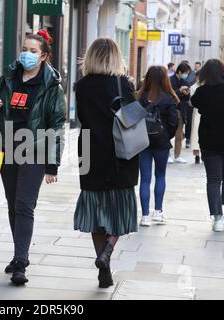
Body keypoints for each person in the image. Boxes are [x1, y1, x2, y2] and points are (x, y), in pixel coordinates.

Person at [0, 30, 66, 285]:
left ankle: (21, 261)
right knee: (12, 204)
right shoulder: (8, 77)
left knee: (24, 205)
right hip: (6, 147)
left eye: (32, 51)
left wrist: (52, 164)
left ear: (43, 56)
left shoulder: (51, 85)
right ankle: (18, 252)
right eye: (24, 49)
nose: (26, 54)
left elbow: (57, 124)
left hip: (34, 150)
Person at [74, 38, 138, 289]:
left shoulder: (82, 86)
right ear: (115, 57)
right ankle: (108, 250)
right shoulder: (123, 84)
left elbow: (82, 118)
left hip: (90, 151)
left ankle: (105, 269)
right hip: (120, 153)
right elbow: (132, 118)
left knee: (96, 211)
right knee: (119, 211)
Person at [191, 59, 224, 232]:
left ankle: (217, 219)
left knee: (213, 180)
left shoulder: (202, 92)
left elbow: (194, 103)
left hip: (210, 143)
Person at [137, 66, 179, 227]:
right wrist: (166, 136)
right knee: (160, 175)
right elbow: (174, 122)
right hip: (161, 142)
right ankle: (158, 212)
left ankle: (145, 216)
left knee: (145, 178)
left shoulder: (140, 96)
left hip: (143, 141)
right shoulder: (169, 98)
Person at [169, 62, 192, 164]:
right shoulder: (170, 81)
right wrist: (179, 91)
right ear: (179, 71)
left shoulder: (185, 82)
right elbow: (170, 94)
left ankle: (177, 155)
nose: (186, 75)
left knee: (179, 134)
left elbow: (187, 98)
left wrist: (187, 93)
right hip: (170, 109)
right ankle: (168, 155)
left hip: (181, 110)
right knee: (169, 133)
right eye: (185, 73)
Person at [190, 71, 201, 164]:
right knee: (196, 133)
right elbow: (191, 102)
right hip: (197, 112)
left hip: (206, 112)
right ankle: (197, 154)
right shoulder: (193, 87)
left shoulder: (208, 86)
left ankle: (205, 153)